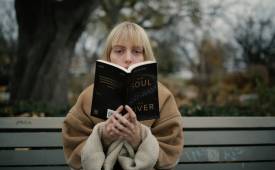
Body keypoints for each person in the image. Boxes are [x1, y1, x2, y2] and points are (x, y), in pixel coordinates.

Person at [62, 21, 183, 170]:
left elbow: (171, 149)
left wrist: (140, 140)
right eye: (119, 51)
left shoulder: (163, 97)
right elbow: (73, 142)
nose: (128, 58)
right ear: (109, 55)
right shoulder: (88, 96)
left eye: (137, 51)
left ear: (146, 57)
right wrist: (103, 137)